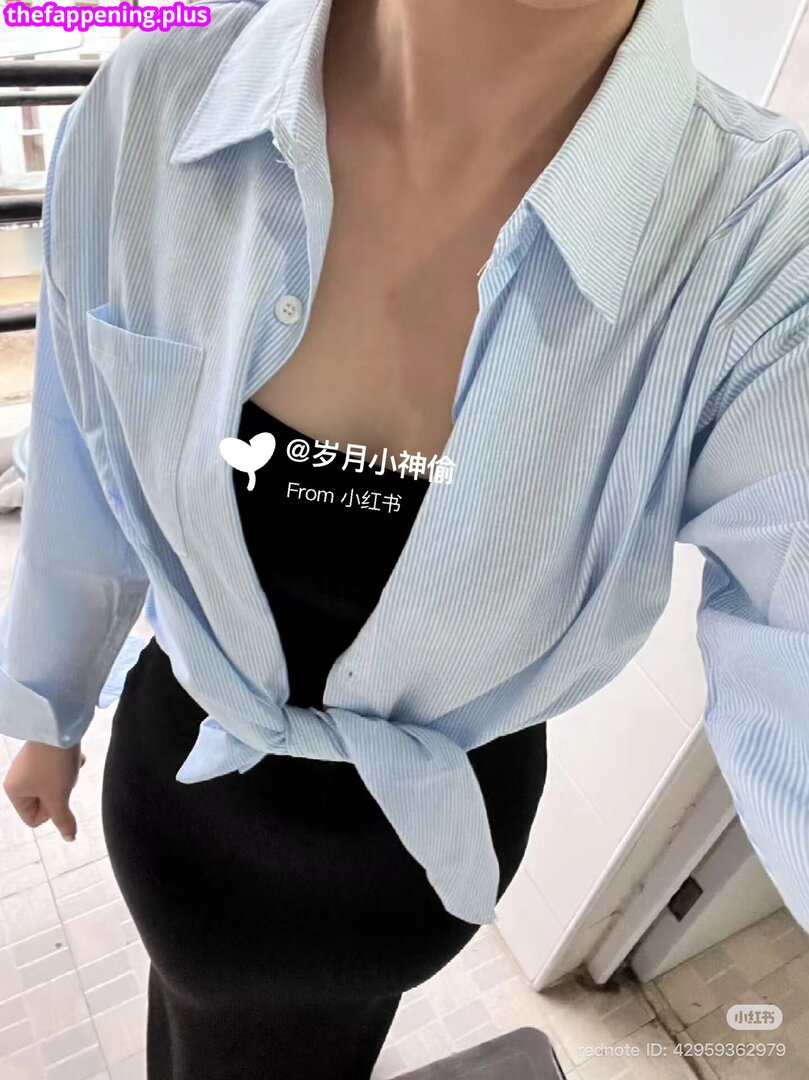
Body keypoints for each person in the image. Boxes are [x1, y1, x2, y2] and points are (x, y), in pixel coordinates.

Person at [2, 0, 808, 1076]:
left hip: (419, 867)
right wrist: (48, 706)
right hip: (186, 817)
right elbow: (81, 460)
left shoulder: (764, 263)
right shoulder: (149, 103)